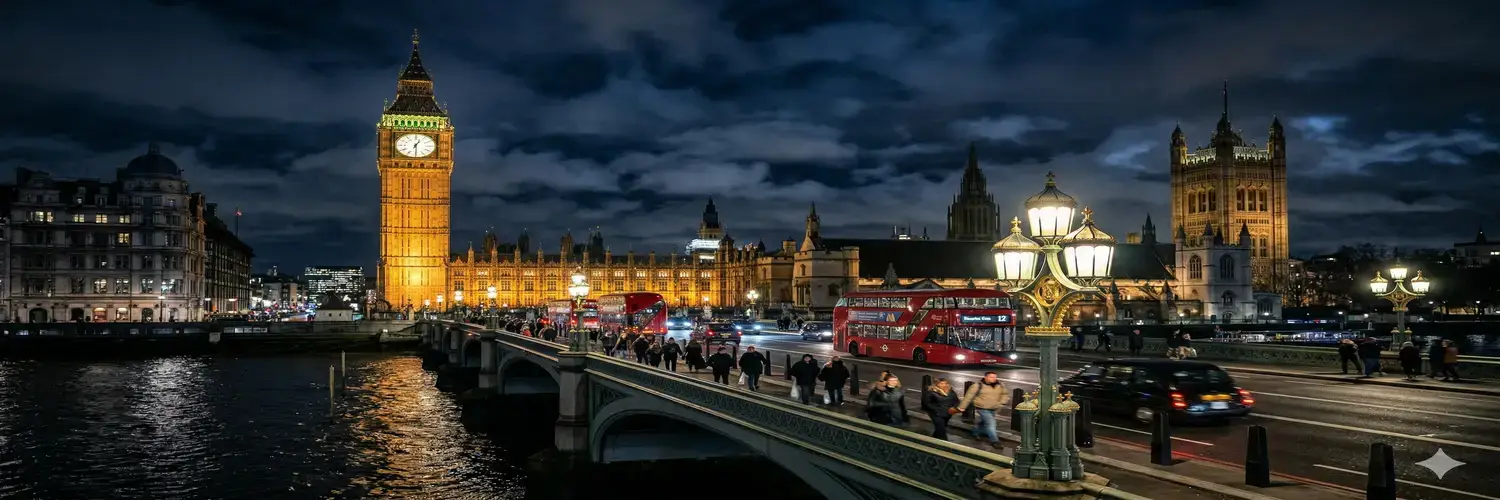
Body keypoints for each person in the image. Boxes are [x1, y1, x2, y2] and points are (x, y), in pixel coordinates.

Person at [956, 372, 1007, 449]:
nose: (994, 379)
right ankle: (995, 441)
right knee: (991, 423)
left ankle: (976, 432)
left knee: (984, 422)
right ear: (985, 377)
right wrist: (962, 407)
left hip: (994, 408)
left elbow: (1005, 394)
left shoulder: (1000, 385)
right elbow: (968, 397)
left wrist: (1001, 402)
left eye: (995, 377)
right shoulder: (977, 386)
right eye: (991, 377)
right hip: (982, 408)